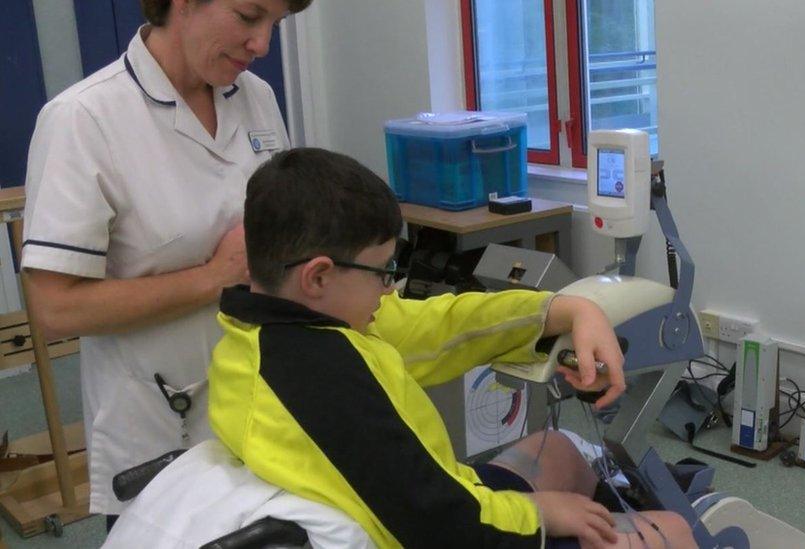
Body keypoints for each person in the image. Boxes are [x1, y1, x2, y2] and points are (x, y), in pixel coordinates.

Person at [207, 147, 697, 548]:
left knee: (566, 452)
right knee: (673, 531)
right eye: (383, 272)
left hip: (436, 499)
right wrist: (537, 515)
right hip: (448, 530)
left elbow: (444, 324)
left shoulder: (283, 328)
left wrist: (567, 310)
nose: (389, 289)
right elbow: (439, 526)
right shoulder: (320, 382)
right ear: (318, 275)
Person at [21, 0, 312, 525]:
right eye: (249, 17)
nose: (263, 45)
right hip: (159, 421)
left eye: (277, 24)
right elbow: (55, 310)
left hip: (262, 405)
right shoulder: (83, 118)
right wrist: (216, 276)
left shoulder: (258, 98)